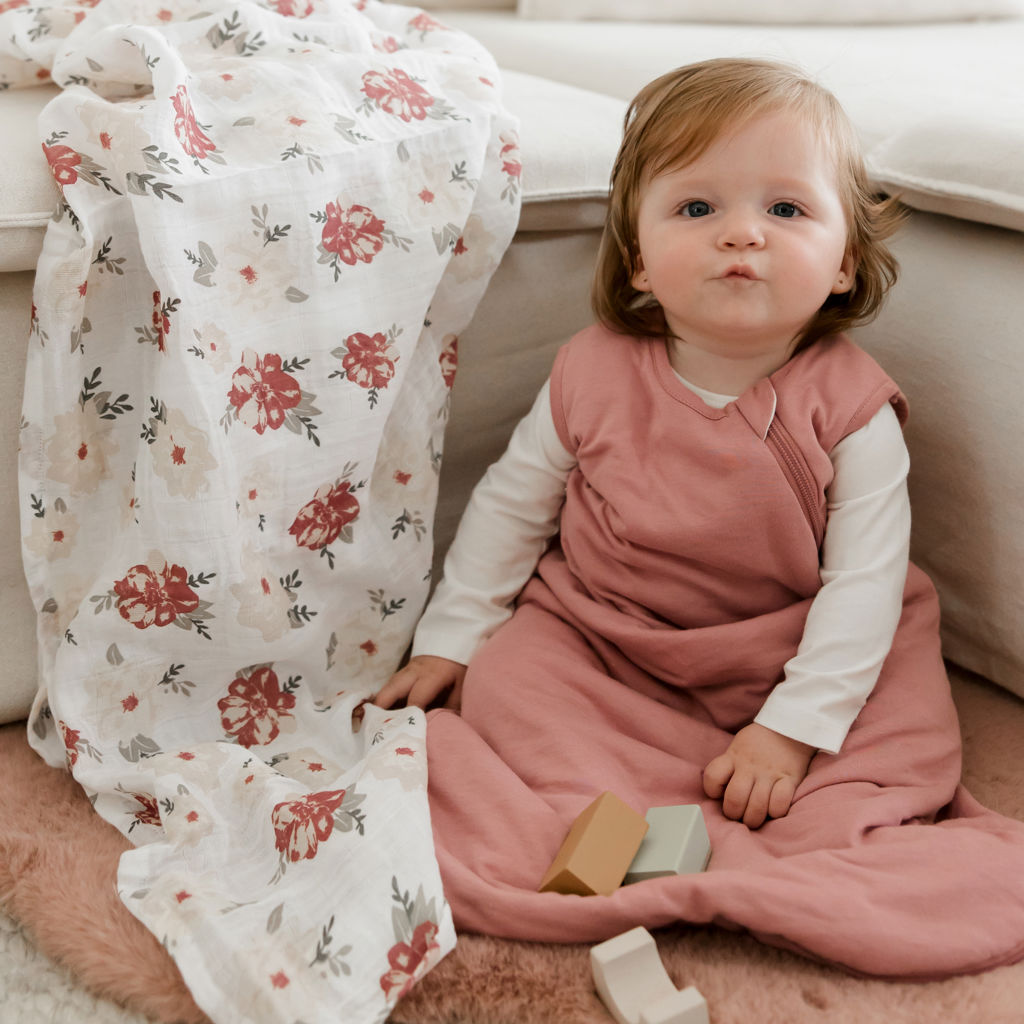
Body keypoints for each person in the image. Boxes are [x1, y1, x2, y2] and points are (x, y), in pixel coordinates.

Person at [376, 57, 908, 830]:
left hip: (773, 643)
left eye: (786, 209)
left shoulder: (854, 412)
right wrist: (452, 639)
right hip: (601, 628)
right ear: (640, 263)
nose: (742, 232)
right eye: (696, 207)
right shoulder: (592, 370)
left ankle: (729, 780)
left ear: (845, 264)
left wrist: (793, 728)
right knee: (506, 683)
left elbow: (864, 583)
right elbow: (513, 505)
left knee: (886, 737)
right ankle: (592, 807)